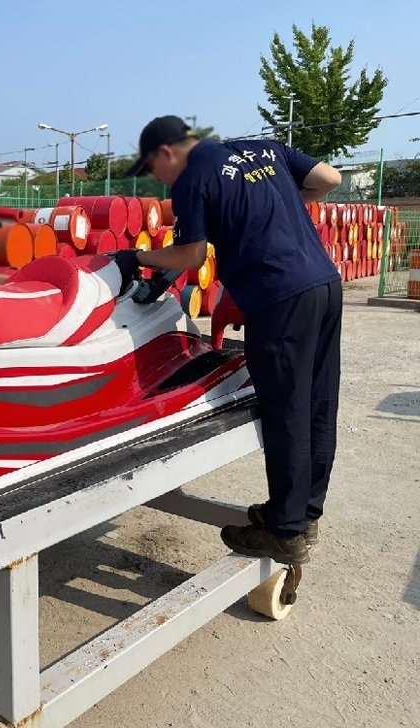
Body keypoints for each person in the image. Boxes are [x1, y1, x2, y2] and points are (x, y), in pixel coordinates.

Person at [114, 115, 342, 565]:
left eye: (154, 170)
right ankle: (302, 512)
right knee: (318, 401)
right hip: (324, 284)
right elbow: (329, 178)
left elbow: (189, 255)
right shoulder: (264, 150)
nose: (159, 180)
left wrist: (133, 255)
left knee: (286, 408)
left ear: (167, 153)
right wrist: (272, 205)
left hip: (278, 297)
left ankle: (286, 531)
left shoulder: (192, 177)